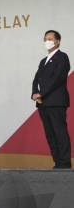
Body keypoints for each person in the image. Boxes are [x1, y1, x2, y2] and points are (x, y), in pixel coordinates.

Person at [32, 30, 72, 169]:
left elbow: (57, 79)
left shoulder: (62, 57)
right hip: (43, 104)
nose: (47, 41)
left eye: (50, 38)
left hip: (56, 102)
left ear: (57, 41)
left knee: (59, 132)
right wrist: (34, 93)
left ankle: (65, 163)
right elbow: (36, 79)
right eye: (45, 39)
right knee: (50, 134)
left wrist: (41, 94)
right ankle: (57, 162)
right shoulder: (43, 61)